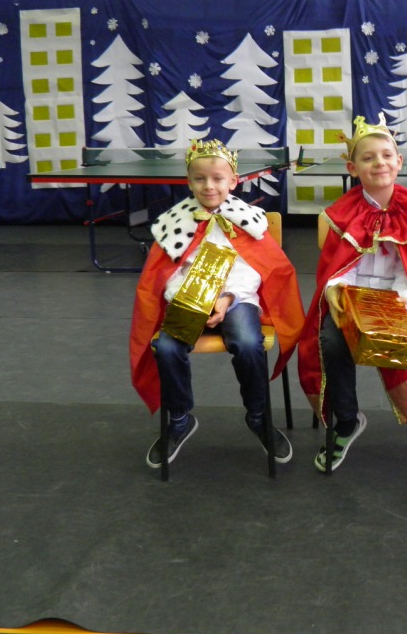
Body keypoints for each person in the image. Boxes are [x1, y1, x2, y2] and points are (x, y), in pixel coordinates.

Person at [130, 138, 305, 469]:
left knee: (248, 342)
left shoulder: (248, 219)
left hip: (237, 299)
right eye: (200, 179)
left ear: (233, 181)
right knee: (166, 348)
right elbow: (166, 274)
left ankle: (258, 415)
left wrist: (227, 298)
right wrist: (191, 300)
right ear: (189, 182)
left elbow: (257, 269)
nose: (208, 186)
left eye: (217, 178)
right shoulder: (174, 222)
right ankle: (179, 418)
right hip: (189, 299)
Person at [297, 114, 407, 472]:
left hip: (401, 300)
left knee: (399, 342)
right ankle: (347, 420)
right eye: (368, 158)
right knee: (331, 341)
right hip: (352, 297)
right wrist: (337, 290)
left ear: (399, 162)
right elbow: (337, 266)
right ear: (352, 168)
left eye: (386, 155)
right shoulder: (339, 215)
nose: (379, 163)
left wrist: (402, 299)